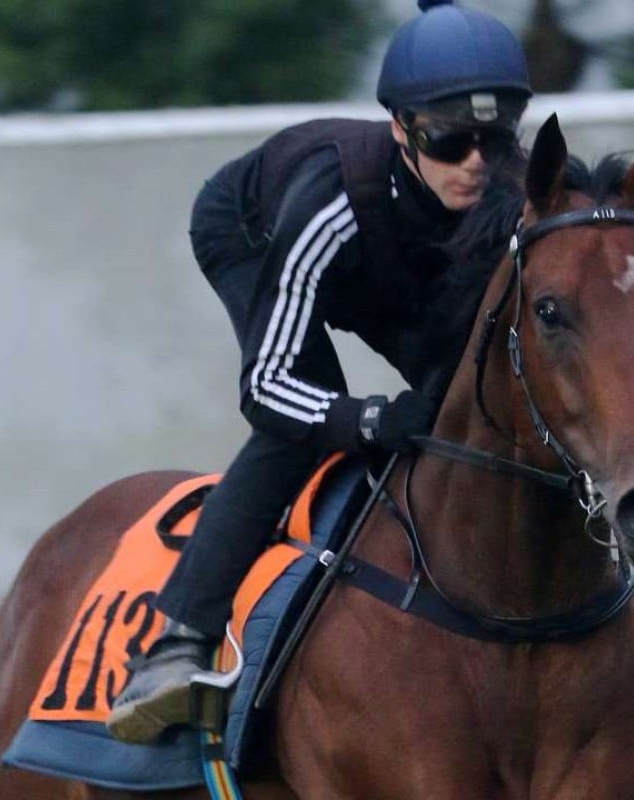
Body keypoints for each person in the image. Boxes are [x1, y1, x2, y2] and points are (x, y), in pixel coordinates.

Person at [106, 0, 531, 744]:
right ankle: (177, 642)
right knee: (303, 425)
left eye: (494, 142)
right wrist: (365, 418)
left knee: (458, 399)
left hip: (389, 257)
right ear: (400, 129)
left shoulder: (506, 188)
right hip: (256, 233)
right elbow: (266, 388)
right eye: (449, 139)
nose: (475, 163)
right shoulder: (327, 204)